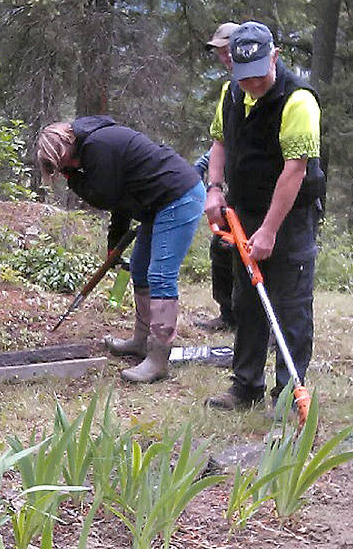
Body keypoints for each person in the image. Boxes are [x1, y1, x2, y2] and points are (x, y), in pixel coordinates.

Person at [202, 21, 325, 412]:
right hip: (246, 209)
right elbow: (220, 141)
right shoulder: (231, 93)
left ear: (274, 56)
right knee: (247, 299)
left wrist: (270, 231)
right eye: (243, 76)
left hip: (290, 216)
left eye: (258, 74)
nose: (251, 82)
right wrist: (214, 188)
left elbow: (295, 170)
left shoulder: (299, 101)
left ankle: (288, 394)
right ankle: (246, 385)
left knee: (290, 303)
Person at [35, 117, 205, 383]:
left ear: (65, 148)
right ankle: (141, 341)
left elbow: (104, 197)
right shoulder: (93, 145)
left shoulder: (98, 147)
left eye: (63, 164)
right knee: (140, 268)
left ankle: (159, 358)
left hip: (178, 196)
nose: (66, 168)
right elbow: (120, 201)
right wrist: (114, 244)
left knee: (160, 275)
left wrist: (73, 179)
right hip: (155, 203)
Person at [194, 21, 240, 332]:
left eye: (228, 51)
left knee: (251, 255)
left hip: (259, 185)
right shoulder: (229, 91)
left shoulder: (265, 87)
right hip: (229, 185)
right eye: (220, 52)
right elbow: (220, 141)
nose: (224, 57)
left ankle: (259, 322)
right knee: (221, 249)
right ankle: (227, 314)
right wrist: (203, 174)